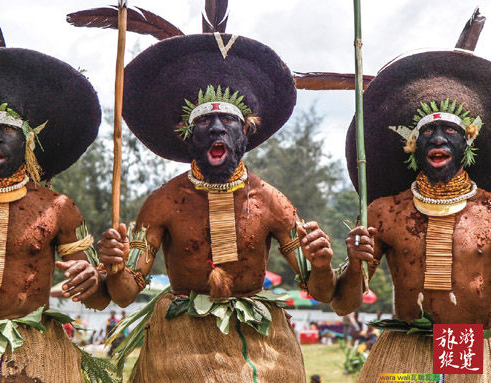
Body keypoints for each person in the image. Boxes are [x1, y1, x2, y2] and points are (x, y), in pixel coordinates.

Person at [98, 34, 361, 382]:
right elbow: (124, 294)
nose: (218, 127)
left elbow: (323, 293)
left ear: (245, 135)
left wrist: (323, 265)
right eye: (206, 122)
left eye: (229, 121)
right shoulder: (163, 202)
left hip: (258, 341)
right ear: (190, 136)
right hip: (180, 340)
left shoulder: (271, 201)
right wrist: (115, 268)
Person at [0, 48, 110, 382]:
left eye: (6, 130)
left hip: (35, 356)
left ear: (28, 142)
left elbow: (101, 299)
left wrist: (93, 279)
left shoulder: (58, 207)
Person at [332, 50, 491, 381]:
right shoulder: (384, 212)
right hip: (402, 349)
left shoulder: (488, 211)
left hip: (467, 346)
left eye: (450, 131)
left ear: (468, 145)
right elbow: (344, 305)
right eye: (427, 134)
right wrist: (349, 263)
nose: (437, 139)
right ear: (412, 147)